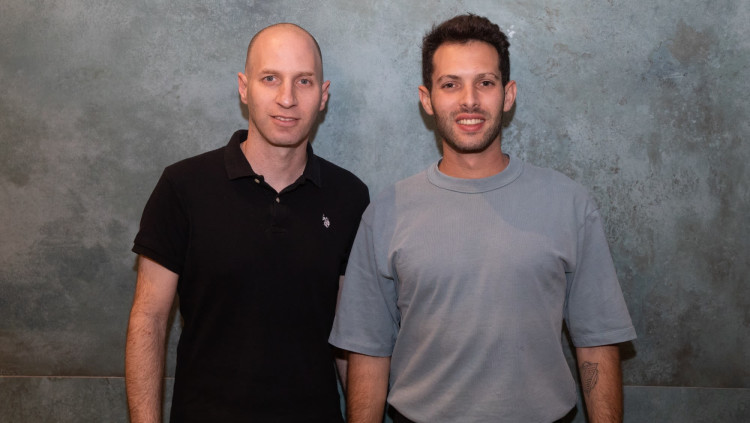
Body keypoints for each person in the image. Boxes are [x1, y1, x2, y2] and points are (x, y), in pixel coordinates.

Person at [329, 14, 636, 423]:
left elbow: (597, 342)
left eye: (485, 83)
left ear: (508, 95)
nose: (469, 100)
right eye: (450, 84)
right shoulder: (387, 211)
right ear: (427, 99)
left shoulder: (570, 204)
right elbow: (369, 349)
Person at [125, 23, 369, 422]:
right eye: (270, 78)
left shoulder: (349, 196)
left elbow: (351, 337)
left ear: (323, 95)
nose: (287, 98)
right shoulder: (183, 187)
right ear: (244, 88)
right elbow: (148, 319)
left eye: (304, 81)